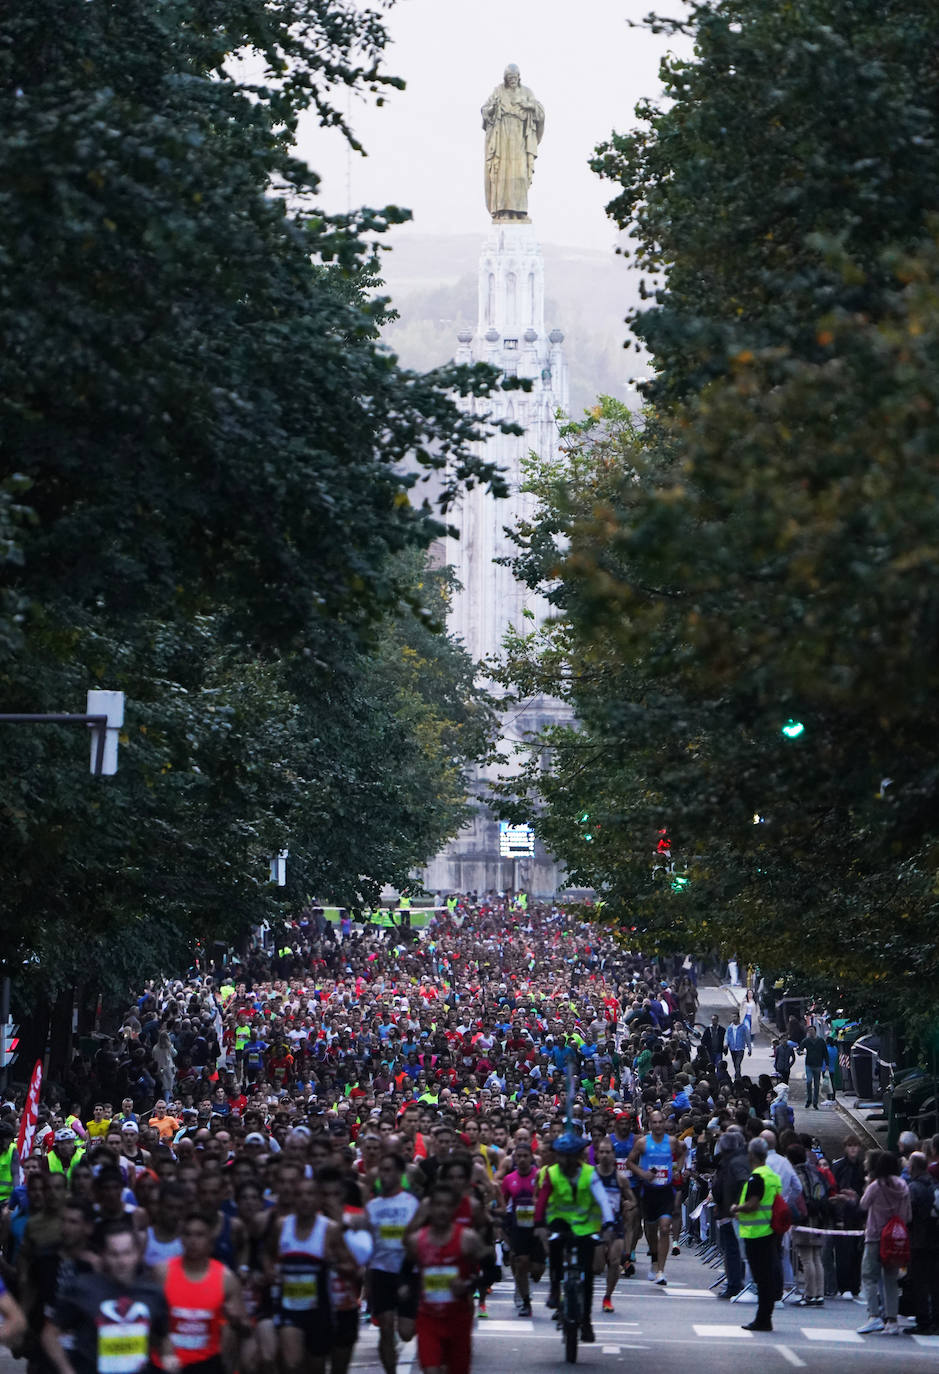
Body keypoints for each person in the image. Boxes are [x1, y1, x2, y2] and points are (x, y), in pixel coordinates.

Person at [42, 1223, 172, 1374]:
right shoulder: (83, 1288)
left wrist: (168, 1357)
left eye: (127, 1253)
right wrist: (67, 1370)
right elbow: (49, 1335)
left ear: (137, 1254)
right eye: (114, 1254)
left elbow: (164, 1336)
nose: (121, 1261)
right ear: (103, 1255)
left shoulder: (153, 1293)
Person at [535, 1128, 615, 1342]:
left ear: (577, 1156)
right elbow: (542, 1200)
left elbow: (603, 1201)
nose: (564, 1160)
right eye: (561, 1155)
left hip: (586, 1227)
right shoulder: (552, 1173)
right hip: (559, 1223)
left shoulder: (590, 1174)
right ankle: (554, 1289)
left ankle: (586, 1321)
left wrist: (608, 1224)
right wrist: (539, 1223)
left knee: (587, 1274)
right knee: (554, 1247)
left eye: (569, 1156)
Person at [406, 1182, 486, 1374]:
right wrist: (406, 1290)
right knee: (432, 1370)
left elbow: (491, 1273)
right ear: (430, 1208)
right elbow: (405, 1271)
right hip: (428, 1318)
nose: (442, 1210)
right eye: (438, 1205)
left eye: (447, 1206)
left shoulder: (467, 1239)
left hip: (458, 1318)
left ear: (454, 1209)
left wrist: (467, 1285)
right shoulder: (417, 1240)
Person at [152, 1210, 246, 1371]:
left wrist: (236, 1321)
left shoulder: (226, 1279)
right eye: (187, 1234)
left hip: (207, 1363)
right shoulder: (162, 1272)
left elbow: (245, 1329)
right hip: (167, 1362)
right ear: (181, 1239)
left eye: (199, 1235)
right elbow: (149, 1321)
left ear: (210, 1239)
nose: (193, 1241)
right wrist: (164, 1351)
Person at [366, 1152, 420, 1374]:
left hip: (408, 1271)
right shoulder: (372, 1206)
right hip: (381, 1271)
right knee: (386, 1328)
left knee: (407, 1331)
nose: (385, 1175)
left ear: (399, 1174)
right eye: (382, 1170)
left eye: (389, 1170)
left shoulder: (412, 1203)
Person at [626, 1109, 686, 1286]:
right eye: (655, 1122)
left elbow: (683, 1153)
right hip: (648, 1192)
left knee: (665, 1227)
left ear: (664, 1123)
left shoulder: (672, 1142)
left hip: (666, 1190)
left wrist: (677, 1169)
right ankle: (654, 1257)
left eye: (661, 1122)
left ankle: (661, 1270)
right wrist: (642, 1174)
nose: (658, 1125)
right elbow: (629, 1162)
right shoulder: (643, 1143)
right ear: (650, 1124)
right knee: (651, 1231)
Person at [730, 1137, 781, 1333]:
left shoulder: (756, 1177)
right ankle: (765, 1316)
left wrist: (736, 1208)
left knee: (762, 1279)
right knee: (766, 1277)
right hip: (769, 1230)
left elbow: (753, 1205)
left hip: (756, 1233)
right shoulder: (772, 1176)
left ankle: (763, 1318)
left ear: (751, 1155)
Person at [481, 65, 545, 220]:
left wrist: (529, 106)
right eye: (510, 78)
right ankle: (504, 212)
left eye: (515, 78)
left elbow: (540, 112)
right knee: (503, 176)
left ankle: (519, 212)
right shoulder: (498, 91)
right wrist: (492, 108)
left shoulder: (527, 92)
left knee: (520, 175)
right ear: (506, 79)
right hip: (502, 139)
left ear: (519, 77)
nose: (512, 81)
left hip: (520, 138)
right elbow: (485, 110)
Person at [857, 1150, 911, 1335]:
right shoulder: (903, 1186)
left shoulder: (876, 1186)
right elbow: (907, 1215)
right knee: (890, 1279)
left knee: (869, 1276)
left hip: (875, 1235)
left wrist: (867, 1185)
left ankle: (873, 1316)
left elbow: (863, 1204)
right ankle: (892, 1320)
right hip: (895, 1237)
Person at [499, 1140, 543, 1318]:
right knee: (521, 1263)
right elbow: (504, 1204)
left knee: (538, 1269)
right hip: (519, 1226)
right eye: (519, 1156)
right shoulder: (509, 1179)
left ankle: (530, 1279)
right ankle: (525, 1301)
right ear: (514, 1159)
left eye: (526, 1156)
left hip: (538, 1226)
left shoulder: (539, 1175)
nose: (522, 1160)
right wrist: (504, 1228)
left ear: (531, 1158)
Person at [710, 1131, 751, 1299]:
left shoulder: (733, 1163)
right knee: (733, 1250)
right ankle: (736, 1281)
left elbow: (742, 1183)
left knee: (733, 1250)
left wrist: (739, 1205)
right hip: (730, 1210)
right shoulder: (735, 1161)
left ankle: (735, 1283)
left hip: (732, 1212)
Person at [907, 1151, 939, 1335]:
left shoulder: (913, 1188)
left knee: (919, 1282)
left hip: (919, 1240)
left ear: (912, 1167)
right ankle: (936, 1319)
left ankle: (923, 1320)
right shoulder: (934, 1185)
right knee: (935, 1283)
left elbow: (908, 1216)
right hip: (935, 1239)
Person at [799, 1026, 828, 1110]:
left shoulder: (821, 1041)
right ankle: (809, 1099)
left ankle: (815, 1102)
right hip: (809, 1064)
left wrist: (827, 1063)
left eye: (811, 1030)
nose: (810, 1032)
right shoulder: (806, 1041)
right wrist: (800, 1052)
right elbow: (800, 1049)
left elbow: (825, 1052)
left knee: (817, 1084)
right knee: (808, 1082)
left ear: (815, 1031)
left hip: (818, 1064)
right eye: (809, 1031)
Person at [725, 1012, 752, 1080]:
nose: (734, 1019)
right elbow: (727, 1037)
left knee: (737, 1063)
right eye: (732, 1017)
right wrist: (725, 1044)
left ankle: (737, 1077)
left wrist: (749, 1049)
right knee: (735, 1064)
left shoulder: (743, 1027)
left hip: (740, 1049)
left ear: (738, 1018)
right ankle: (738, 1075)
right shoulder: (730, 1028)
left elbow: (747, 1038)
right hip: (732, 1048)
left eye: (735, 1017)